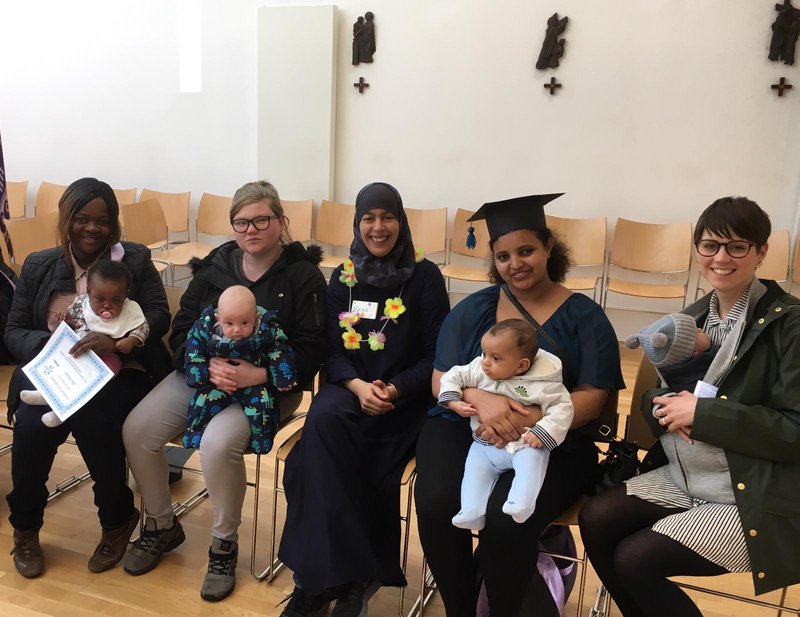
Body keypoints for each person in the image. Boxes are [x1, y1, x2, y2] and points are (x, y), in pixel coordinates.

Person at [579, 196, 800, 617]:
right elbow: (653, 403)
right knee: (597, 518)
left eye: (737, 247)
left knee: (635, 559)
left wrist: (702, 415)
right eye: (710, 245)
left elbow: (794, 430)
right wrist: (664, 407)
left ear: (762, 252)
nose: (721, 257)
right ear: (697, 248)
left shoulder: (790, 324)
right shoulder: (690, 318)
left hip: (752, 490)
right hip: (688, 475)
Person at [415, 193, 624, 617]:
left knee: (507, 521)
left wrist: (528, 419)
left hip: (552, 439)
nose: (517, 264)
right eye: (504, 256)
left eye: (527, 251)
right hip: (463, 424)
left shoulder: (585, 316)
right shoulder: (476, 309)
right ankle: (461, 607)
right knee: (438, 504)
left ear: (549, 248)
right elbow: (441, 378)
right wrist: (481, 400)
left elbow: (593, 396)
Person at [122, 180, 326, 603]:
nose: (251, 229)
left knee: (217, 444)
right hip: (204, 379)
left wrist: (259, 374)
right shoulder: (217, 265)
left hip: (268, 388)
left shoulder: (303, 275)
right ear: (232, 226)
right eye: (241, 222)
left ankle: (222, 544)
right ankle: (161, 524)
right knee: (137, 430)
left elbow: (311, 350)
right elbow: (181, 330)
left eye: (261, 220)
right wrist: (206, 368)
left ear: (281, 222)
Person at [277, 182, 450, 617]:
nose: (378, 227)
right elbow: (332, 352)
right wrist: (356, 386)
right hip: (350, 389)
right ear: (356, 224)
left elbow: (435, 354)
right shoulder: (343, 277)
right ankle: (336, 579)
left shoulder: (425, 277)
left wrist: (394, 388)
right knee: (322, 430)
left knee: (310, 463)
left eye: (387, 216)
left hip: (402, 400)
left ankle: (317, 579)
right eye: (368, 218)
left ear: (401, 221)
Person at [4, 177, 171, 579]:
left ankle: (116, 521)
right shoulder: (40, 264)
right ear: (66, 220)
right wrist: (54, 344)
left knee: (99, 422)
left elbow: (159, 315)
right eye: (81, 219)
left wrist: (116, 343)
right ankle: (25, 528)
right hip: (56, 370)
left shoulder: (134, 258)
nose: (92, 228)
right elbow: (12, 330)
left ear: (114, 223)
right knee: (30, 427)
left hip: (119, 372)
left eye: (102, 220)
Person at [438, 319, 573, 529]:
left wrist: (542, 432)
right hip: (484, 444)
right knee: (474, 471)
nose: (485, 362)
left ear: (521, 365)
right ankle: (472, 511)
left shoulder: (543, 382)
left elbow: (563, 408)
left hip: (525, 442)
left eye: (495, 358)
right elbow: (452, 376)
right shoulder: (478, 369)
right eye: (484, 354)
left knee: (530, 467)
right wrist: (454, 401)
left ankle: (521, 504)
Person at [21, 260, 150, 427]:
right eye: (99, 299)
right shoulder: (82, 304)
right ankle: (46, 394)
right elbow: (75, 322)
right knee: (63, 371)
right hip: (78, 351)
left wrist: (131, 340)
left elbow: (142, 327)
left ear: (125, 295)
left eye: (116, 301)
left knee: (90, 385)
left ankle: (60, 414)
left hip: (108, 359)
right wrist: (66, 321)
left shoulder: (130, 310)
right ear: (88, 291)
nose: (107, 305)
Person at [183, 284, 296, 454]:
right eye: (229, 323)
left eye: (245, 322)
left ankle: (261, 439)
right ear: (218, 318)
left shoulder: (266, 329)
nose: (237, 330)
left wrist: (282, 376)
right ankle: (194, 434)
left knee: (264, 403)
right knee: (201, 402)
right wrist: (200, 372)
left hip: (254, 385)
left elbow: (279, 350)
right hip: (218, 384)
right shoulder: (206, 329)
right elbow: (193, 349)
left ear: (256, 317)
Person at [624, 312, 715, 399]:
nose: (700, 329)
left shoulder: (669, 375)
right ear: (693, 351)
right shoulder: (704, 365)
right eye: (696, 332)